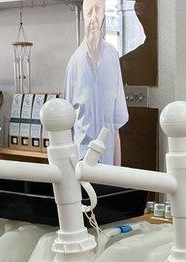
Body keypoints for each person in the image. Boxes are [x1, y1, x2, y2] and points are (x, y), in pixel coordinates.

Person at [64, 0, 128, 166]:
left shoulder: (112, 57)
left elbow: (116, 125)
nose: (93, 17)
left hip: (108, 162)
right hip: (81, 162)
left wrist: (118, 174)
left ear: (104, 14)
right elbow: (66, 125)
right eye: (89, 12)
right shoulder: (74, 63)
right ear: (83, 16)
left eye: (98, 11)